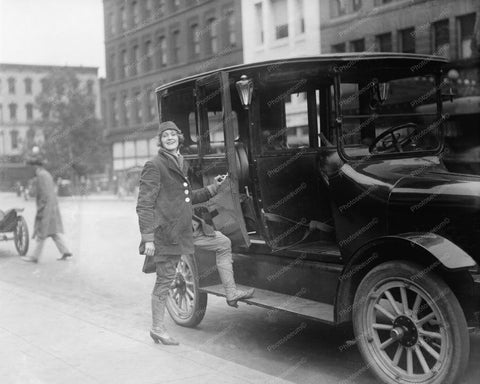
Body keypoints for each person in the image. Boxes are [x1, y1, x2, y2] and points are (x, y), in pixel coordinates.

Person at [136, 121, 254, 346]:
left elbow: (187, 198)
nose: (169, 138)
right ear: (160, 141)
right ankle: (157, 329)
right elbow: (144, 205)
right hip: (169, 234)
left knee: (223, 243)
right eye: (165, 136)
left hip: (189, 228)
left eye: (173, 134)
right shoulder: (154, 165)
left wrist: (213, 188)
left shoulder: (180, 162)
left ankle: (231, 293)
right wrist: (148, 238)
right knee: (165, 281)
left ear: (179, 138)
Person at [21, 155, 72, 263]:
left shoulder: (41, 175)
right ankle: (65, 251)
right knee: (53, 232)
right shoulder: (46, 174)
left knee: (42, 233)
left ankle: (34, 256)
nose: (31, 169)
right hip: (51, 206)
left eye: (31, 167)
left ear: (35, 166)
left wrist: (41, 209)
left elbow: (44, 194)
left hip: (46, 208)